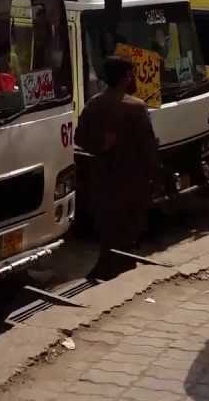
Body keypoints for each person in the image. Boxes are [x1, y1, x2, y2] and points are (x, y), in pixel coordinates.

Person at [74, 56, 158, 280]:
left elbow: (79, 137)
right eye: (130, 74)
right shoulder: (136, 108)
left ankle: (110, 265)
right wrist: (152, 177)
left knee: (108, 228)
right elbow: (149, 148)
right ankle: (116, 270)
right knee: (127, 230)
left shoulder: (94, 104)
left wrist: (101, 145)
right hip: (130, 182)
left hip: (102, 180)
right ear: (125, 78)